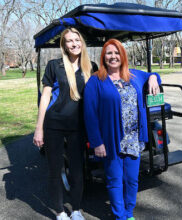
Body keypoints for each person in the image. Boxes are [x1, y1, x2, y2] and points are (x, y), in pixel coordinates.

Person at [83, 39, 161, 220]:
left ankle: (128, 214)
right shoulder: (96, 81)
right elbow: (90, 115)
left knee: (132, 180)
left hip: (133, 138)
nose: (113, 56)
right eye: (109, 53)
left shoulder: (133, 75)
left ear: (122, 55)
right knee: (115, 181)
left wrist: (152, 77)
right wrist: (97, 142)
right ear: (103, 57)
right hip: (111, 140)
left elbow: (154, 74)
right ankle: (120, 216)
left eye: (116, 53)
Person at [33, 27, 98, 220]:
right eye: (69, 41)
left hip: (78, 127)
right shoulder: (54, 66)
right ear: (64, 45)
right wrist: (39, 129)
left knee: (78, 171)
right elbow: (45, 97)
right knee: (55, 170)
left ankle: (76, 210)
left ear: (82, 42)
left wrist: (152, 76)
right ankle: (60, 212)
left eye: (77, 40)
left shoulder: (91, 66)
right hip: (54, 125)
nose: (74, 44)